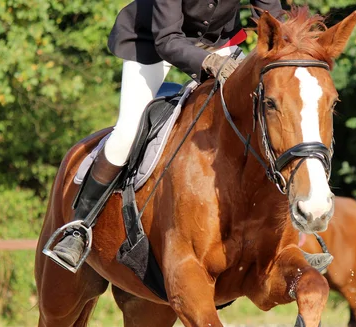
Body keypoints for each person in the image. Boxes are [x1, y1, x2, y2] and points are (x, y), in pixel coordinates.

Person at [49, 0, 285, 270]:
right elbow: (167, 39)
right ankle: (79, 228)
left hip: (219, 43)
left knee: (269, 116)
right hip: (153, 43)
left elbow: (273, 17)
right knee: (127, 134)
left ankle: (290, 237)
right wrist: (208, 61)